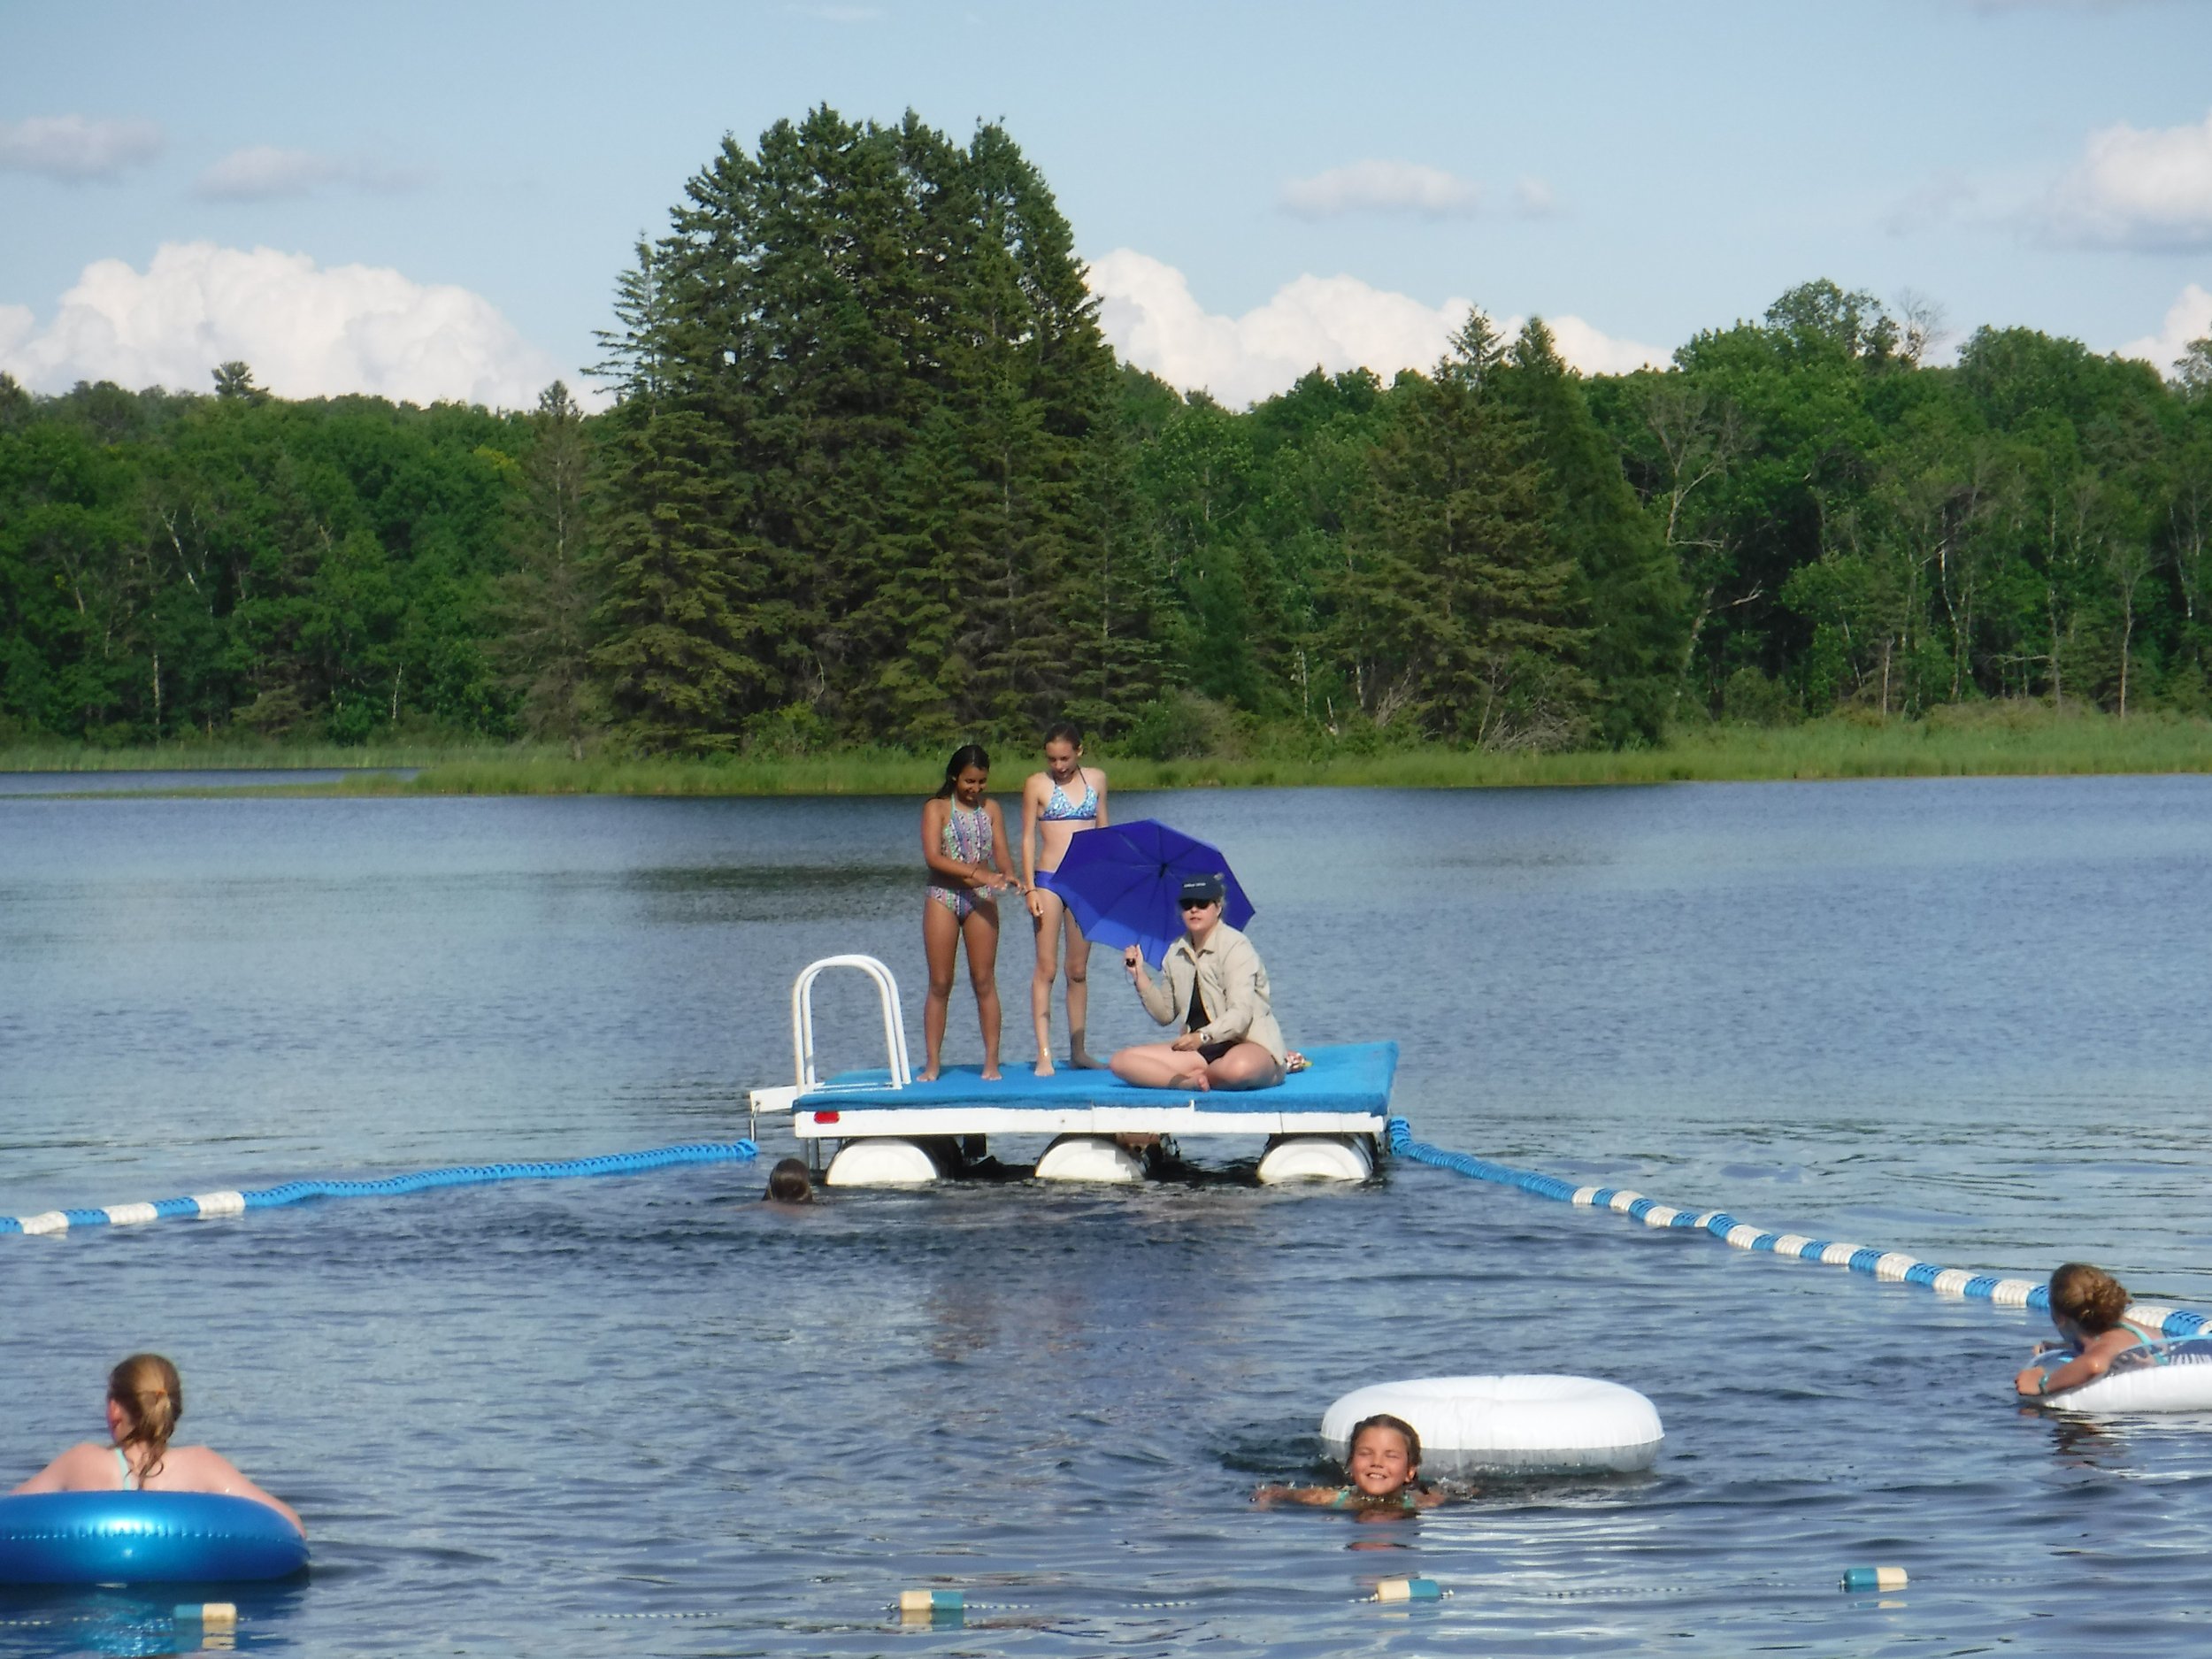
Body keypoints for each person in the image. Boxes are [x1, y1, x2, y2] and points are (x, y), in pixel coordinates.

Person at [11, 1353, 304, 1534]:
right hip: (178, 1620)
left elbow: (8, 1513)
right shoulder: (202, 1464)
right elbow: (292, 1526)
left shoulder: (81, 1461)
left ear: (114, 1410)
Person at [1110, 873, 1286, 1092]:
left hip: (1247, 1043)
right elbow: (1165, 1014)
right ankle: (1189, 1082)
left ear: (1218, 907)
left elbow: (1241, 1014)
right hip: (1200, 1052)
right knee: (1122, 1061)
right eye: (1187, 905)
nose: (1194, 910)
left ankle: (1201, 1076)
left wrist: (1203, 1036)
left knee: (1237, 1070)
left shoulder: (1236, 946)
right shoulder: (1175, 951)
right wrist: (1139, 976)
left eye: (1202, 904)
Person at [920, 744, 1022, 1083]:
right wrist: (980, 874)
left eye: (981, 782)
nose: (975, 789)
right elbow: (933, 857)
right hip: (943, 896)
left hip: (981, 898)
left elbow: (1002, 853)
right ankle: (933, 1064)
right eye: (969, 781)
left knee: (984, 980)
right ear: (954, 777)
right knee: (940, 982)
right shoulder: (936, 808)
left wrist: (1008, 874)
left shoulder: (991, 809)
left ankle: (991, 1063)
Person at [1021, 723, 1110, 1077]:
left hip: (1086, 882)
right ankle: (1044, 1053)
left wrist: (1108, 880)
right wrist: (1029, 888)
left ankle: (1078, 1051)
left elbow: (1105, 832)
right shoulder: (1036, 785)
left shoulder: (1097, 780)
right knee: (1047, 968)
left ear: (1079, 752)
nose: (1058, 765)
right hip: (1049, 880)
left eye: (1064, 758)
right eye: (1052, 759)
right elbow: (1027, 837)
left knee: (1077, 970)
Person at [2015, 1262, 2161, 1398]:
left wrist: (2042, 1384)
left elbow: (2094, 1365)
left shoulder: (2104, 1344)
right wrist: (2064, 1347)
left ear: (2060, 1318)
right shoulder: (2128, 1327)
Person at [1253, 1414, 1447, 1513]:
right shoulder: (1326, 1498)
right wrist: (1264, 1501)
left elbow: (1454, 1496)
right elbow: (1277, 1491)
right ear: (1351, 1464)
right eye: (1365, 1453)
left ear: (1410, 1471)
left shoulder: (1423, 1502)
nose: (1377, 1462)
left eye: (1391, 1456)